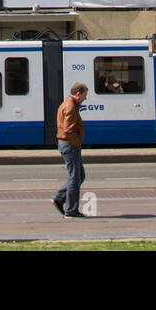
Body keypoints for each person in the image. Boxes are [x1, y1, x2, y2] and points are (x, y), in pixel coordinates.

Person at [52, 83, 88, 218]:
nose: (85, 98)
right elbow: (68, 130)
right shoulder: (70, 106)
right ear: (78, 93)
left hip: (68, 144)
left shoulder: (69, 104)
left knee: (80, 176)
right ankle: (71, 210)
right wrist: (77, 143)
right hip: (69, 145)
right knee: (75, 178)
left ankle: (59, 198)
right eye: (85, 95)